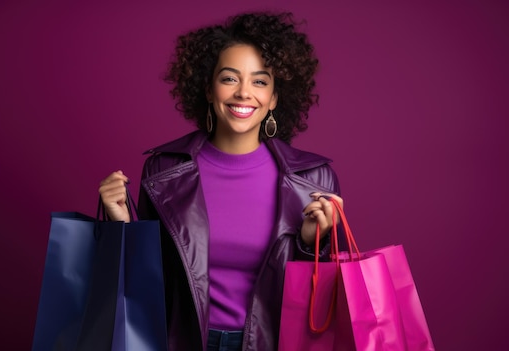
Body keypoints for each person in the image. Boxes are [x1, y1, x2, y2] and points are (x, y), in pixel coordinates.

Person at [98, 12, 343, 351]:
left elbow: (324, 300)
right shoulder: (165, 170)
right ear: (209, 90)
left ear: (273, 99)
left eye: (260, 81)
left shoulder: (312, 180)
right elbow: (147, 283)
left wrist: (309, 243)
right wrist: (122, 225)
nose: (244, 93)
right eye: (229, 79)